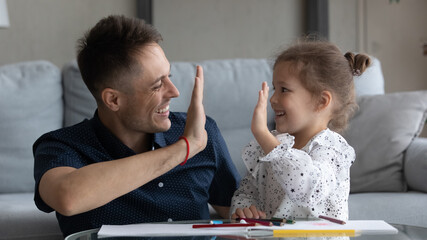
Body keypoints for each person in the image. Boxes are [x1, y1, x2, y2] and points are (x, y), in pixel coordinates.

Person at [33, 15, 240, 237]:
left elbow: (242, 215)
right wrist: (185, 148)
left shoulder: (201, 131)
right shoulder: (62, 146)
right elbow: (68, 198)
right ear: (113, 100)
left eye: (168, 76)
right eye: (157, 85)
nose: (174, 91)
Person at [230, 39, 371, 221]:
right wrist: (244, 209)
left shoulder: (332, 149)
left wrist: (264, 136)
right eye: (274, 88)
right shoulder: (268, 147)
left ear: (321, 101)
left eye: (284, 90)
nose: (273, 99)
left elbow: (306, 188)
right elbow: (246, 193)